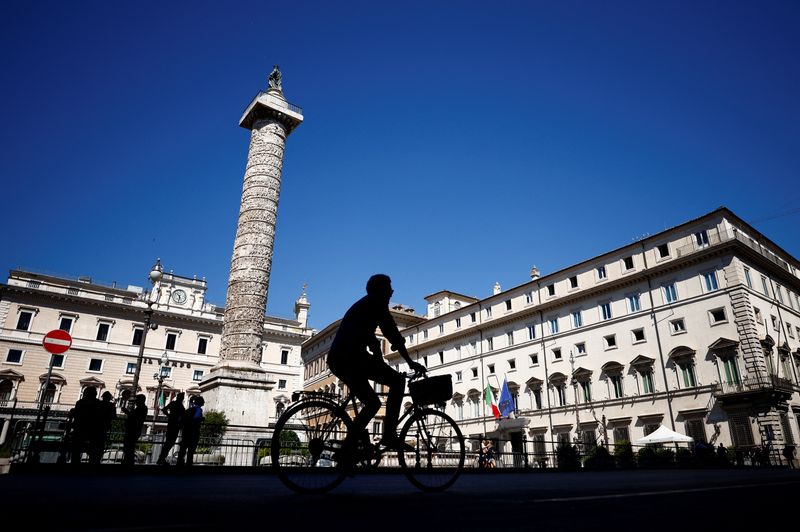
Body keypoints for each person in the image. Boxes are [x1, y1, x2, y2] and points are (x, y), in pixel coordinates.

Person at [327, 274, 426, 458]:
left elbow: (372, 340)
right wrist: (411, 363)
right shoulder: (376, 304)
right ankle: (388, 436)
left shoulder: (365, 305)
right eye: (389, 288)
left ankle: (349, 448)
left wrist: (381, 358)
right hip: (350, 357)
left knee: (372, 403)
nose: (391, 292)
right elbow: (393, 334)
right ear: (380, 290)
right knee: (396, 382)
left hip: (342, 358)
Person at [70, 387, 101, 465]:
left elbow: (77, 415)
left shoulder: (80, 403)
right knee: (93, 451)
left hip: (81, 428)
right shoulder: (98, 404)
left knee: (77, 449)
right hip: (93, 429)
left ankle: (75, 465)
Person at [157, 392, 185, 465]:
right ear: (182, 398)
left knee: (168, 442)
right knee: (170, 442)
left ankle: (161, 458)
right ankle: (161, 459)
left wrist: (169, 416)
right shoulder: (181, 406)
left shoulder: (173, 403)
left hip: (171, 423)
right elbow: (182, 417)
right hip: (176, 425)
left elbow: (164, 409)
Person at [177, 396, 204, 467]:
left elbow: (180, 419)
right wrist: (201, 419)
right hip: (193, 432)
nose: (204, 402)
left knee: (183, 448)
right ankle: (189, 463)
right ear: (200, 402)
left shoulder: (189, 410)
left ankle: (179, 462)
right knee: (191, 449)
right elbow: (196, 418)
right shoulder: (198, 409)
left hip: (186, 431)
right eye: (203, 401)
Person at [122, 394, 147, 465]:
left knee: (129, 446)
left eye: (137, 400)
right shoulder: (142, 408)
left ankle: (128, 462)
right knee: (129, 447)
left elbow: (134, 418)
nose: (136, 401)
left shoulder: (141, 408)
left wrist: (127, 412)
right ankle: (128, 461)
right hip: (135, 429)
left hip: (133, 430)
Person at [94, 391, 117, 464]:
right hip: (104, 426)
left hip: (96, 426)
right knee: (100, 444)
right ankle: (97, 460)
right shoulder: (111, 406)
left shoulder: (98, 404)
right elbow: (114, 417)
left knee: (94, 443)